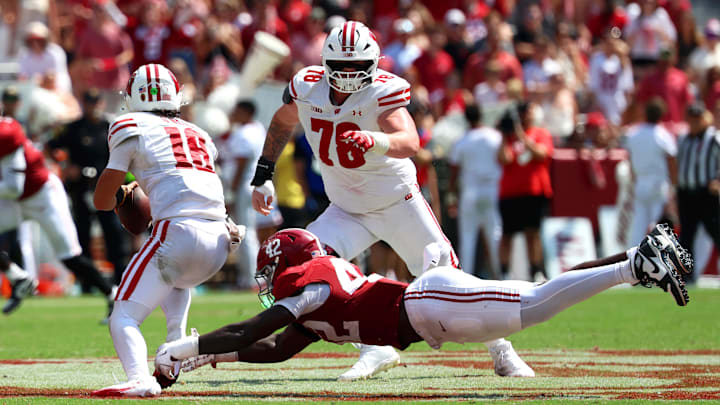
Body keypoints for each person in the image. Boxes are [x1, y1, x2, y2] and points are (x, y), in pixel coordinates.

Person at [249, 21, 530, 381]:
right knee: (307, 273)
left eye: (357, 68)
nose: (349, 77)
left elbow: (410, 140)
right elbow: (282, 121)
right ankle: (374, 348)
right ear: (325, 64)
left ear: (374, 64)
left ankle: (501, 349)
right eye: (341, 68)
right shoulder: (307, 85)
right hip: (346, 209)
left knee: (447, 279)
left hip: (398, 203)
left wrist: (375, 140)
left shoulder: (382, 92)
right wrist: (264, 172)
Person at [156, 224, 692, 381]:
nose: (271, 279)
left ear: (289, 261)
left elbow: (253, 327)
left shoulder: (313, 284)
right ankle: (634, 258)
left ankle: (632, 264)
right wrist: (210, 357)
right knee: (536, 298)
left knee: (534, 304)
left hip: (430, 300)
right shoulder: (311, 303)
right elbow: (272, 349)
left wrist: (186, 347)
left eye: (273, 268)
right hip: (432, 318)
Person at [91, 63, 244, 398]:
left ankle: (138, 377)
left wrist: (120, 197)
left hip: (178, 233)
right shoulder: (199, 133)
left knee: (124, 315)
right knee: (174, 277)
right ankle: (176, 349)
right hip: (220, 237)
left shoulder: (128, 124)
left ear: (132, 97)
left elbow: (102, 200)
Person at [0, 116, 116, 319]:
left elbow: (13, 187)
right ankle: (17, 277)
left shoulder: (6, 133)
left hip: (42, 195)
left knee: (69, 256)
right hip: (17, 200)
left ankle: (112, 294)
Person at [47, 89, 130, 285]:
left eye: (96, 102)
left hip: (106, 186)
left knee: (113, 233)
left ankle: (121, 280)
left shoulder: (109, 127)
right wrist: (65, 167)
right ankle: (88, 283)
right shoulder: (73, 128)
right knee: (82, 234)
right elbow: (52, 146)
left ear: (101, 103)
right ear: (84, 104)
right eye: (89, 102)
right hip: (80, 187)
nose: (93, 106)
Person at [497, 103, 553, 281]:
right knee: (507, 234)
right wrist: (505, 137)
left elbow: (541, 154)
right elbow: (504, 159)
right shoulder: (509, 138)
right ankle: (505, 272)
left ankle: (536, 270)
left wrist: (521, 135)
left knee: (533, 233)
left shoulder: (540, 133)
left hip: (533, 191)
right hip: (510, 192)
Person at [448, 104, 502, 279]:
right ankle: (500, 274)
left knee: (468, 237)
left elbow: (454, 170)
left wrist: (451, 194)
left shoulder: (462, 140)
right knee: (494, 232)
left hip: (470, 192)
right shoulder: (494, 136)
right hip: (490, 190)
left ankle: (466, 278)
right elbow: (504, 158)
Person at [676, 103, 720, 282]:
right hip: (686, 193)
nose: (694, 123)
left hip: (707, 194)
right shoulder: (683, 139)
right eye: (691, 119)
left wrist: (717, 180)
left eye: (698, 119)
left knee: (716, 232)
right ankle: (687, 276)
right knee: (686, 235)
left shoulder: (714, 139)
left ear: (705, 119)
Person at [624, 98, 678, 246]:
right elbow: (672, 160)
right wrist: (673, 186)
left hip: (640, 182)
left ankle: (632, 260)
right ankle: (658, 262)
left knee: (638, 226)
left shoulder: (633, 133)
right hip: (658, 183)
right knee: (659, 226)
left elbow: (629, 158)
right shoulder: (663, 135)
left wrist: (634, 179)